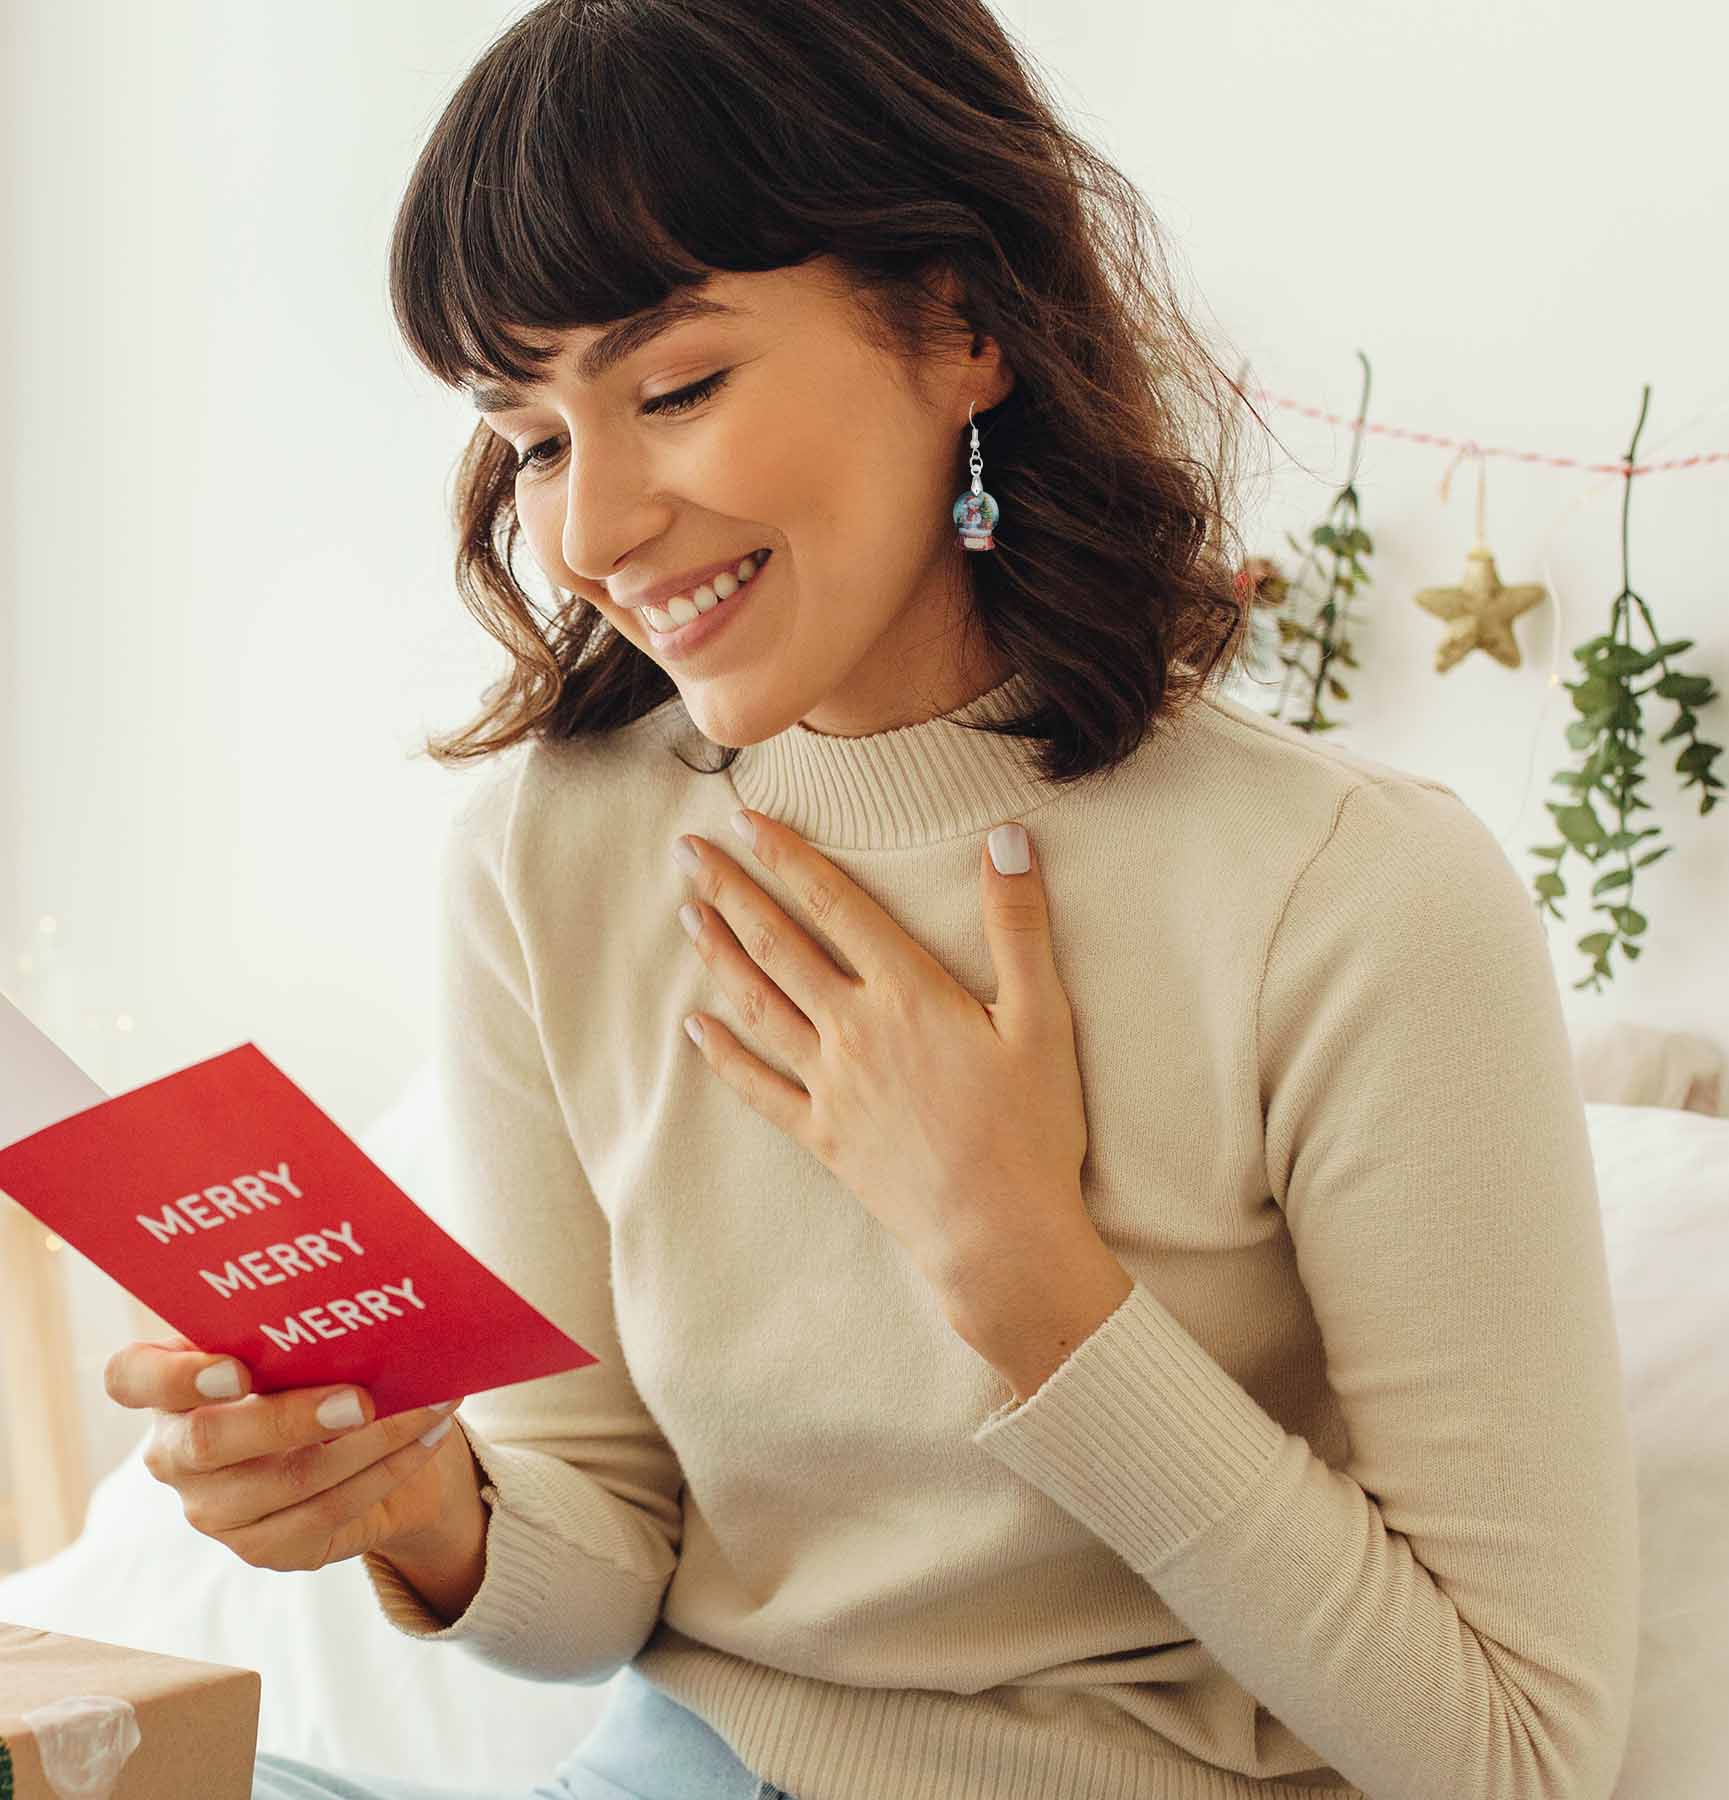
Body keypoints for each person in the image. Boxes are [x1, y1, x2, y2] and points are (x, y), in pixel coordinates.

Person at [104, 0, 1640, 1796]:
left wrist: (1024, 1272)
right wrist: (413, 1504)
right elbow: (605, 1562)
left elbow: (1517, 1759)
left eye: (673, 388)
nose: (589, 531)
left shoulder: (1353, 900)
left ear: (964, 319)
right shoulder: (553, 848)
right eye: (529, 439)